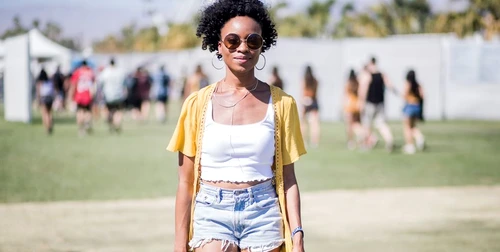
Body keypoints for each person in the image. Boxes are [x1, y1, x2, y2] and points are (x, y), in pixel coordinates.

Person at [167, 1, 307, 251]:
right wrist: (179, 246)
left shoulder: (283, 103)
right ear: (219, 46)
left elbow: (289, 179)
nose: (243, 48)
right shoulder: (196, 104)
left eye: (253, 41)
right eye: (233, 40)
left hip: (264, 212)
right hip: (211, 212)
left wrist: (297, 235)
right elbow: (185, 183)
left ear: (262, 46)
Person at [358, 57, 398, 151]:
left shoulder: (367, 75)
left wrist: (361, 102)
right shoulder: (382, 74)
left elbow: (363, 90)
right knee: (381, 124)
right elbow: (390, 85)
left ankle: (367, 144)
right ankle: (389, 140)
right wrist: (397, 92)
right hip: (380, 103)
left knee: (367, 124)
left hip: (369, 104)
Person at [98, 58, 127, 133]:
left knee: (109, 110)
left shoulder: (105, 72)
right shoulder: (120, 72)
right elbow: (124, 84)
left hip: (108, 95)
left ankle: (111, 123)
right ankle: (117, 123)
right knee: (118, 110)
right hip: (118, 95)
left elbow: (100, 83)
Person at [69, 60, 96, 136]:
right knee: (88, 112)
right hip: (88, 95)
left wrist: (71, 95)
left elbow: (74, 84)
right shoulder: (91, 72)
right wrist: (93, 95)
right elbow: (93, 85)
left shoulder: (77, 72)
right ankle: (87, 124)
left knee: (80, 112)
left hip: (79, 95)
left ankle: (81, 129)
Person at [402, 70, 425, 154]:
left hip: (409, 106)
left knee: (407, 127)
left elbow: (404, 94)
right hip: (417, 106)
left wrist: (404, 96)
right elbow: (423, 96)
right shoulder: (418, 84)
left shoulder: (408, 84)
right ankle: (419, 137)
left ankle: (410, 145)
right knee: (412, 126)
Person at [343, 69, 364, 150]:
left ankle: (351, 141)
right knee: (357, 123)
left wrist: (343, 106)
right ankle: (361, 136)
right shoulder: (357, 83)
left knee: (350, 125)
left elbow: (345, 96)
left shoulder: (348, 84)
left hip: (350, 106)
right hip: (357, 105)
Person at [301, 65, 320, 148]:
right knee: (314, 124)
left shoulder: (304, 80)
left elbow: (302, 92)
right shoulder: (315, 80)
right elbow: (316, 93)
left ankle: (304, 141)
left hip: (306, 101)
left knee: (303, 123)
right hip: (314, 101)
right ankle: (314, 142)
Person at [36, 68, 55, 135]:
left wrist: (38, 100)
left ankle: (47, 127)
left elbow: (39, 91)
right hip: (50, 97)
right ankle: (50, 124)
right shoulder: (49, 80)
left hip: (44, 98)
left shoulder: (40, 81)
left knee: (44, 113)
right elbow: (53, 89)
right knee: (49, 113)